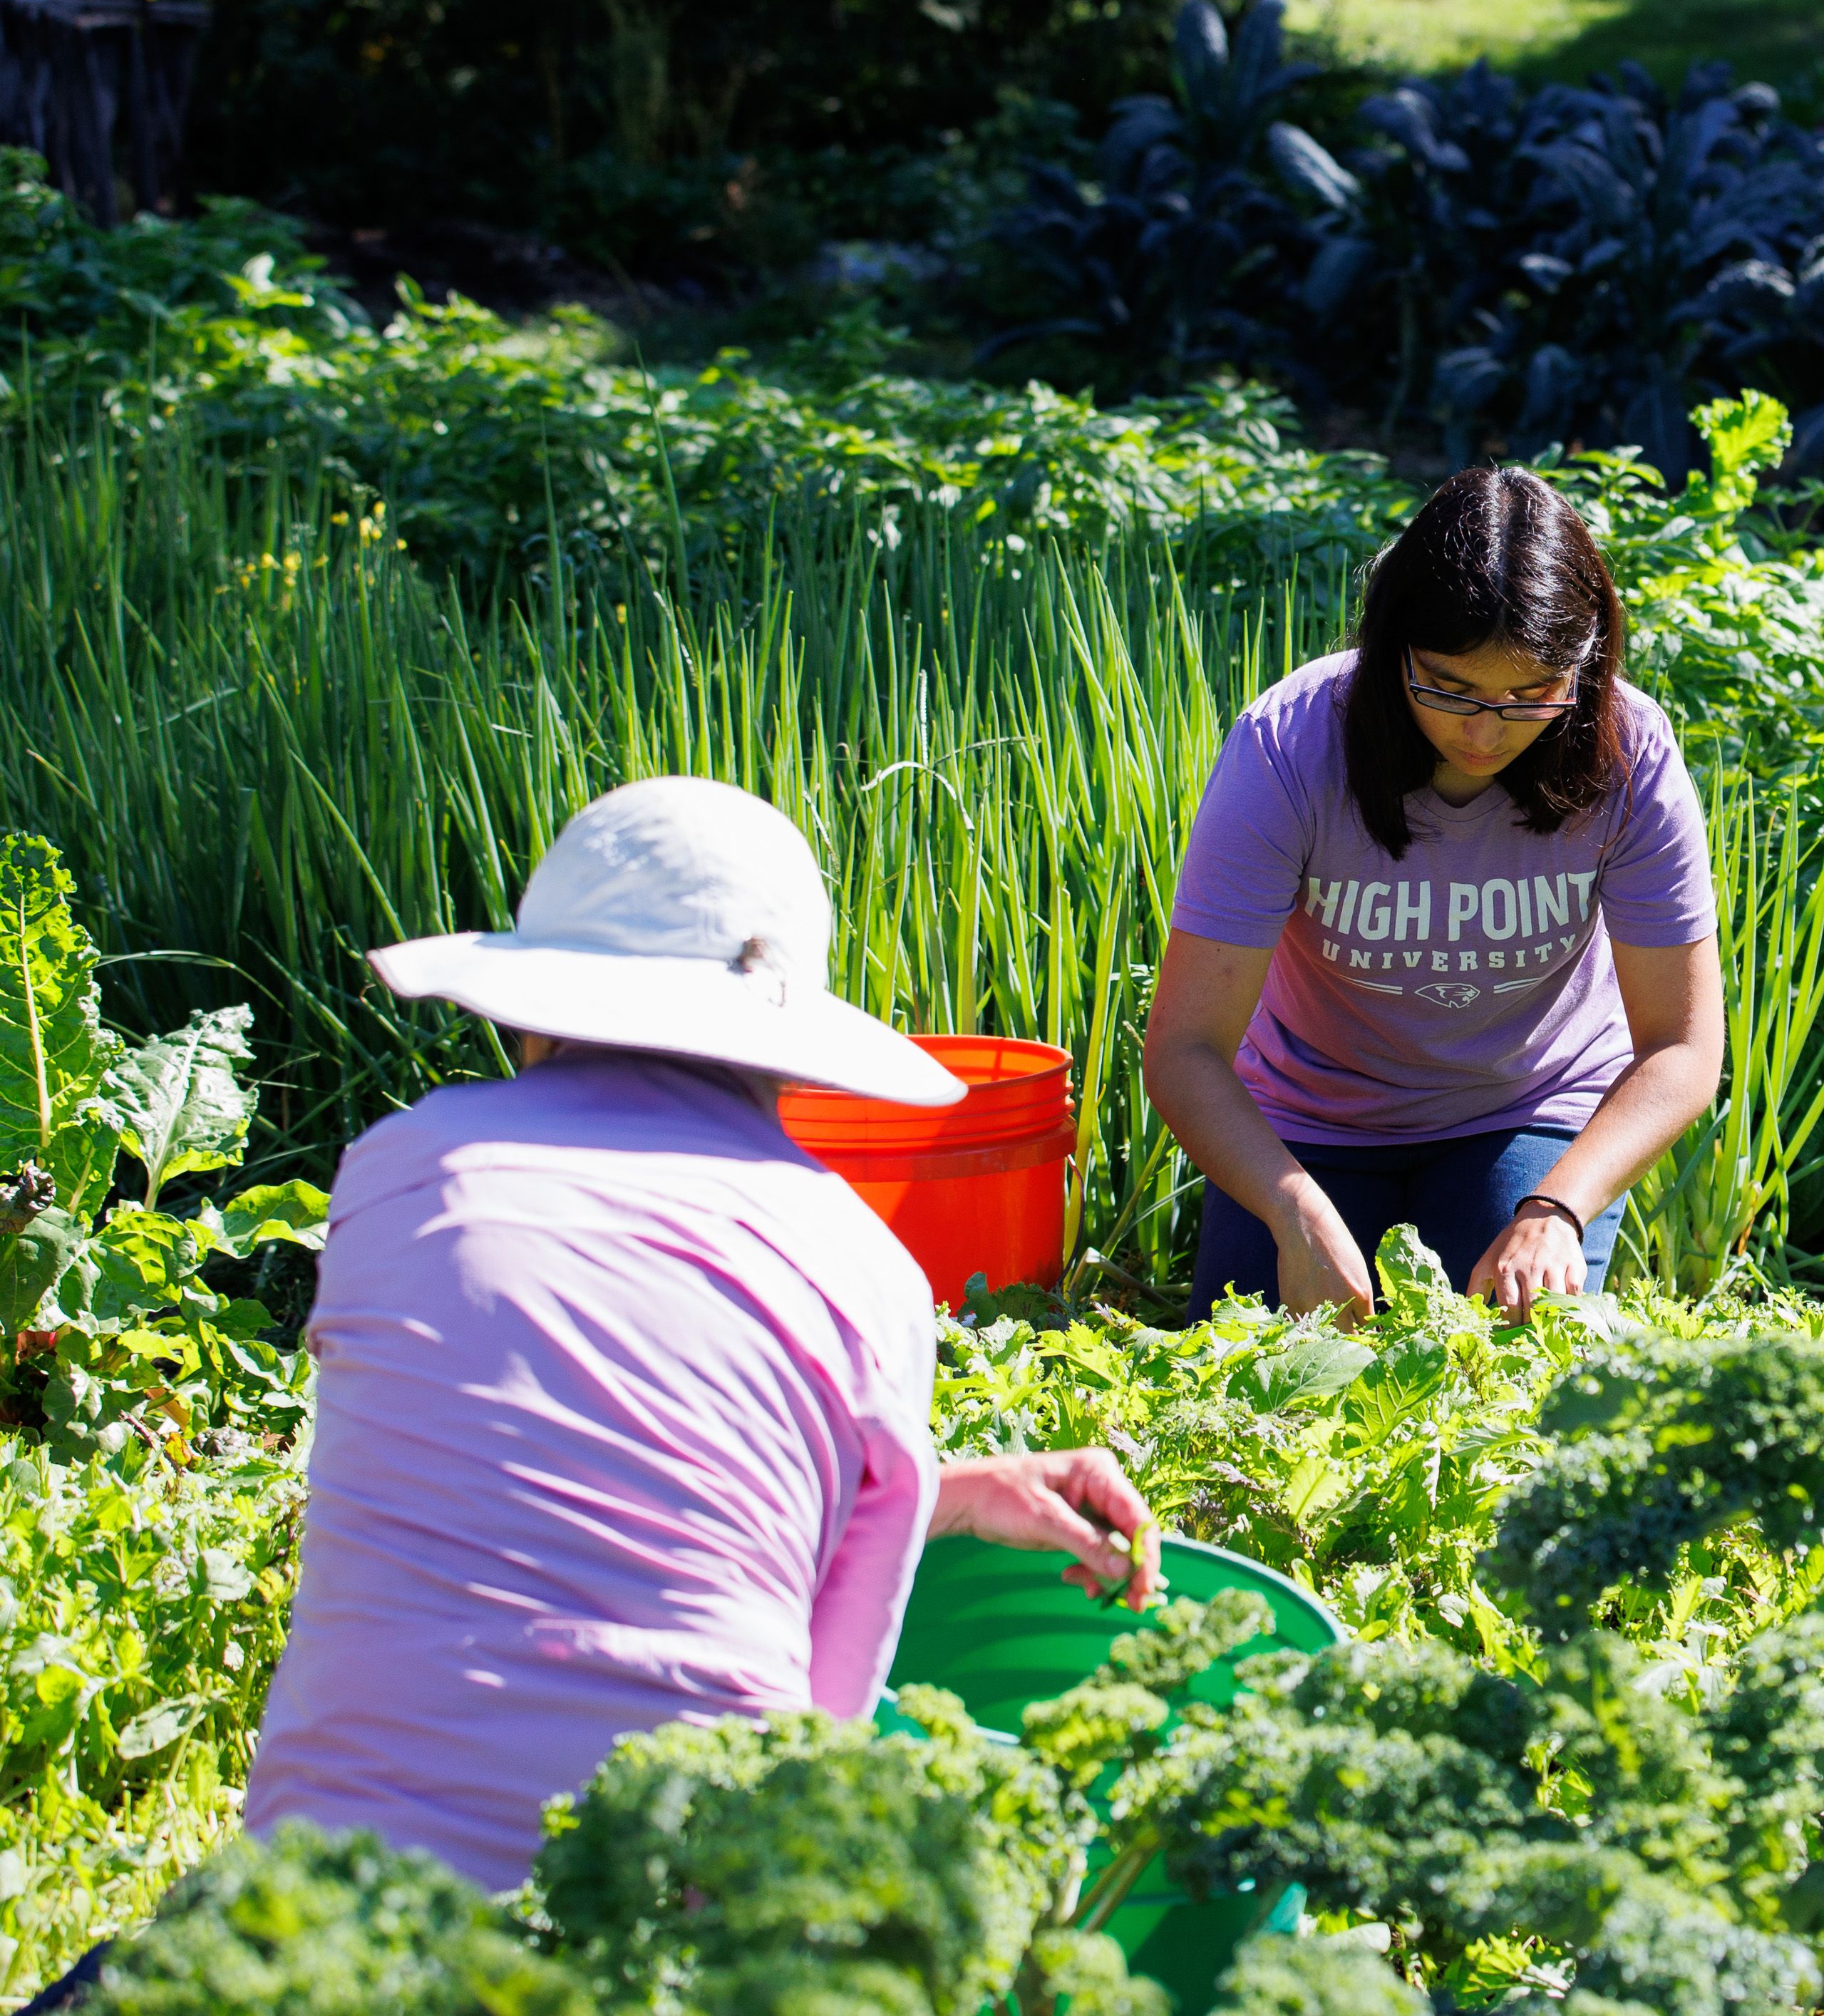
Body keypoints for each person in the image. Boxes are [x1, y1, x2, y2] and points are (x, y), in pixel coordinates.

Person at [242, 776, 1161, 1898]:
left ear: (533, 1005)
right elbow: (825, 1718)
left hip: (313, 1927)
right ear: (785, 1045)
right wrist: (921, 1487)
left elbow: (525, 1473)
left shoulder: (402, 1170)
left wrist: (953, 1488)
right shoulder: (863, 1266)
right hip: (673, 1938)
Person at [1148, 466, 1725, 1327]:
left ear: (1586, 663)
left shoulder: (1628, 752)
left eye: (1530, 695)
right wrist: (1291, 1212)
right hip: (1310, 1119)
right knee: (1262, 1373)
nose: (1485, 731)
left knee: (1502, 1372)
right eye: (1449, 687)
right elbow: (1185, 1047)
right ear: (1391, 648)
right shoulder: (1289, 745)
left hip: (1525, 1111)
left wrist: (1557, 1210)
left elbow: (1681, 1050)